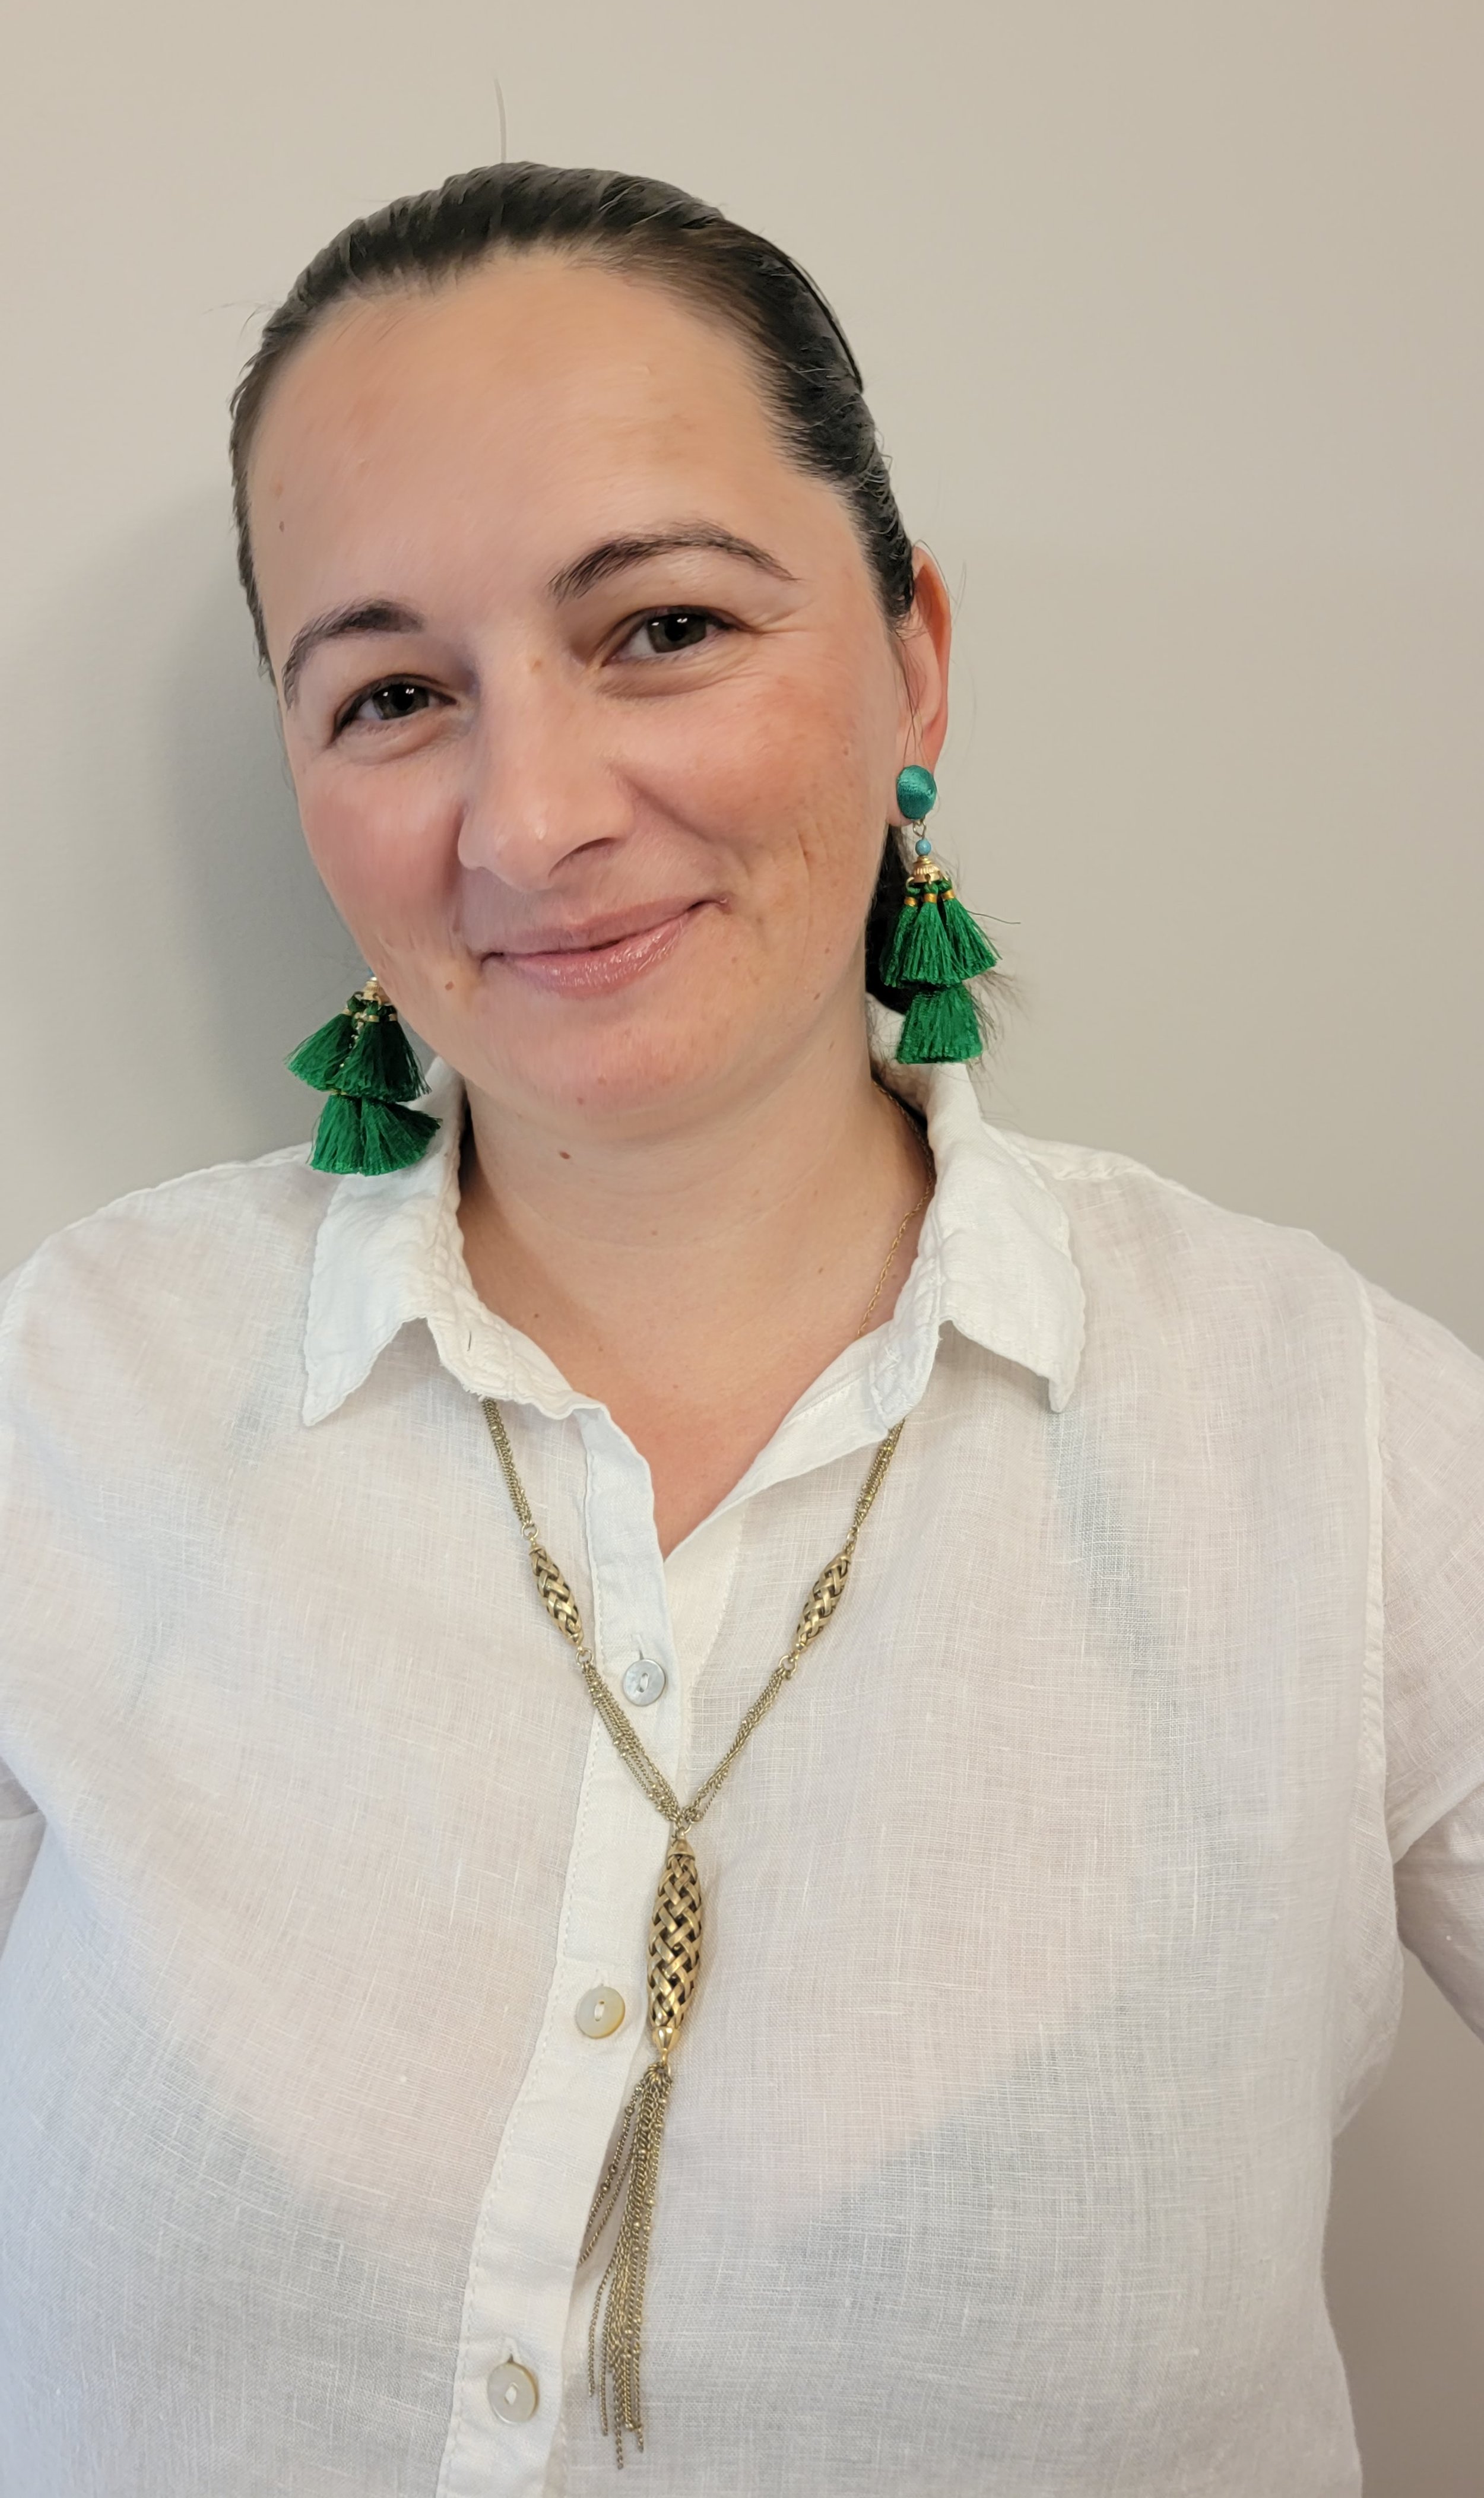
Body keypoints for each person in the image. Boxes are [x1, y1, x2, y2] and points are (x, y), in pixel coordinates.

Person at [0, 162, 1479, 2498]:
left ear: (913, 661)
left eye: (662, 628)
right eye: (393, 694)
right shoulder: (71, 1394)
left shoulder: (1334, 1440)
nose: (531, 816)